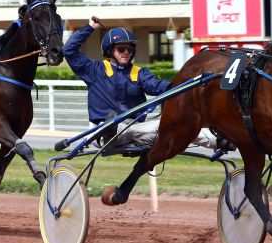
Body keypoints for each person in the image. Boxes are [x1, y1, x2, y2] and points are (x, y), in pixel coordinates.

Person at [63, 17, 219, 150]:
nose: (126, 53)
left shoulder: (139, 73)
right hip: (103, 132)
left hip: (137, 130)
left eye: (129, 50)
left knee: (179, 125)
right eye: (121, 49)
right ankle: (111, 128)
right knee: (123, 127)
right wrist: (90, 27)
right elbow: (69, 50)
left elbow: (161, 87)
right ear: (110, 51)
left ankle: (219, 141)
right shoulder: (94, 70)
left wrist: (193, 84)